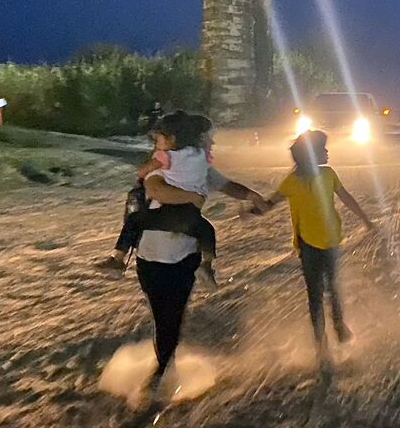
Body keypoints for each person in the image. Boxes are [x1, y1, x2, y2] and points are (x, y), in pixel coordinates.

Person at [134, 142, 269, 396]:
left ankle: (161, 372)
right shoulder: (163, 165)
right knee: (163, 314)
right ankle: (164, 365)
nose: (213, 142)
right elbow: (156, 190)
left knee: (172, 315)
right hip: (151, 255)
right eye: (209, 138)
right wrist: (193, 198)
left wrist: (251, 195)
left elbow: (228, 185)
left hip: (185, 254)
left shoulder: (200, 169)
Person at [255, 130, 375, 358]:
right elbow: (269, 204)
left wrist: (366, 220)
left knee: (327, 289)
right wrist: (250, 210)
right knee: (320, 291)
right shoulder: (295, 180)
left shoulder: (327, 174)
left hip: (328, 240)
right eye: (323, 149)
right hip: (309, 243)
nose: (327, 152)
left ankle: (336, 327)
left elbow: (346, 198)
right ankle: (322, 340)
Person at [94, 112, 220, 290]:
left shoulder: (165, 156)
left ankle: (117, 259)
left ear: (171, 139)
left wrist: (147, 170)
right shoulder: (201, 155)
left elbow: (142, 171)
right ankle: (206, 265)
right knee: (207, 231)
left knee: (134, 220)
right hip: (191, 212)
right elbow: (207, 166)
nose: (157, 144)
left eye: (159, 139)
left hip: (166, 210)